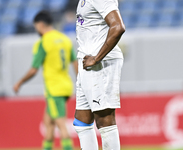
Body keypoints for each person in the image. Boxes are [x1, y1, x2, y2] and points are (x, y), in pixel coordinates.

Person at [13, 10, 78, 150]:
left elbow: (33, 69)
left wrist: (19, 82)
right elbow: (75, 62)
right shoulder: (65, 39)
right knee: (48, 123)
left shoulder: (43, 42)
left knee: (61, 126)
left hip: (54, 90)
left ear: (41, 25)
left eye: (36, 26)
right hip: (66, 86)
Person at [73, 0, 125, 149]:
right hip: (86, 61)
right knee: (81, 122)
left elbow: (118, 27)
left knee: (104, 120)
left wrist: (96, 58)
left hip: (98, 64)